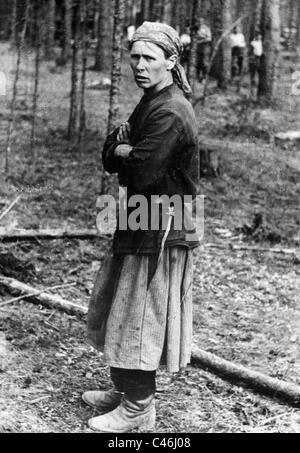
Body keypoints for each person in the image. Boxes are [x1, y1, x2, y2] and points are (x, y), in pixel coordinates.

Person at [84, 21, 200, 433]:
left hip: (163, 225)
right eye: (135, 57)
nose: (139, 65)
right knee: (123, 305)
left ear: (170, 61)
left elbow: (142, 169)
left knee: (141, 315)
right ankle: (124, 387)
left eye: (149, 58)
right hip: (142, 218)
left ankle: (138, 406)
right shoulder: (152, 100)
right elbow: (112, 153)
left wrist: (123, 150)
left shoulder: (170, 109)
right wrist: (121, 149)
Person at [196, 17, 212, 82]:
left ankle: (204, 77)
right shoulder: (195, 28)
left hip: (205, 46)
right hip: (197, 47)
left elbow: (209, 38)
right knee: (198, 63)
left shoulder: (206, 28)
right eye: (199, 21)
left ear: (203, 22)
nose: (200, 23)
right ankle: (197, 77)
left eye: (201, 21)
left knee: (205, 63)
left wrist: (201, 40)